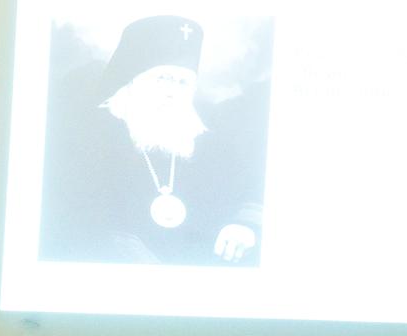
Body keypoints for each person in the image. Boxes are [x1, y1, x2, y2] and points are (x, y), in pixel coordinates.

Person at [38, 14, 271, 266]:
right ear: (131, 81)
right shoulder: (88, 135)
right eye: (163, 78)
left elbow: (249, 191)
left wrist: (242, 226)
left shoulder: (208, 143)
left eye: (183, 83)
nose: (173, 92)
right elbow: (77, 220)